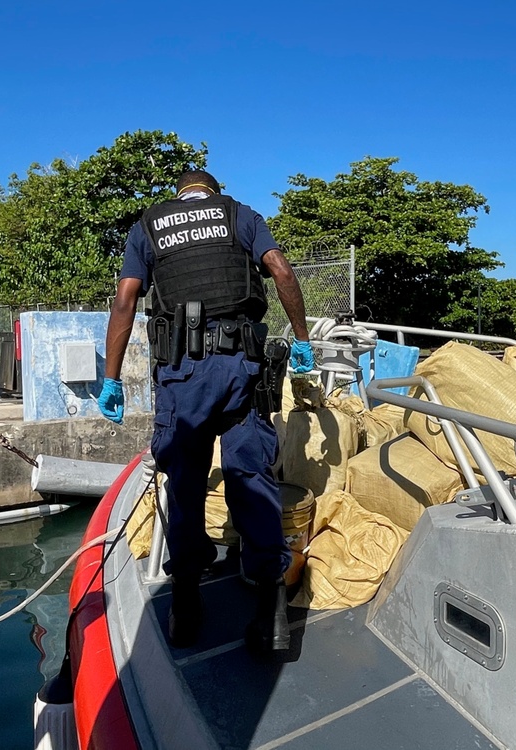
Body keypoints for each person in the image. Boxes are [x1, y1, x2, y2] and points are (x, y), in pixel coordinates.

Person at [97, 169, 315, 654]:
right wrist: (301, 340)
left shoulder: (149, 226)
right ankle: (273, 614)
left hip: (184, 374)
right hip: (244, 368)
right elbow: (280, 269)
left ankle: (186, 606)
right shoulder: (239, 215)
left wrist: (110, 377)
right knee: (250, 476)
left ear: (179, 195)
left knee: (187, 481)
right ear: (212, 193)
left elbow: (125, 300)